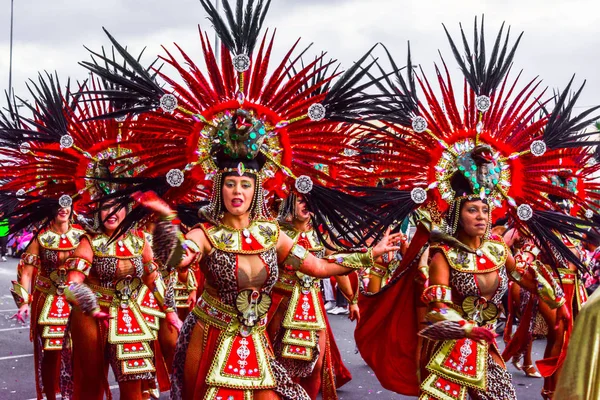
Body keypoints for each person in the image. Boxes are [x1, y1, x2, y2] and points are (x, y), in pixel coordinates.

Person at [352, 17, 598, 400]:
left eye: (486, 209)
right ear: (457, 213)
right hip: (451, 352)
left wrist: (556, 303)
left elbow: (526, 279)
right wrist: (468, 329)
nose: (481, 216)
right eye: (472, 210)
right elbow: (435, 308)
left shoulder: (499, 251)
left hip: (487, 350)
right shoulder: (443, 254)